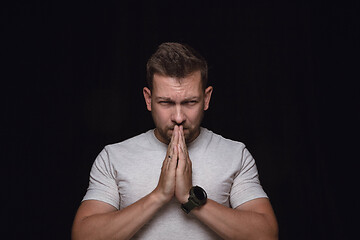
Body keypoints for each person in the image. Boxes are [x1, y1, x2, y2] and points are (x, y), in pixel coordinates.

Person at [72, 42, 278, 240]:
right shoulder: (113, 156)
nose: (178, 116)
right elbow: (83, 235)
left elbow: (266, 234)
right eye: (166, 102)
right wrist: (159, 195)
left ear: (206, 99)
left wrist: (192, 199)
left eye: (190, 102)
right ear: (148, 99)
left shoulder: (235, 154)